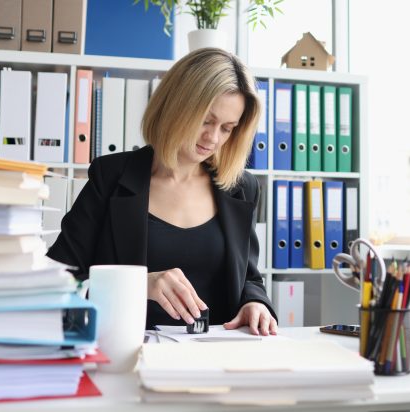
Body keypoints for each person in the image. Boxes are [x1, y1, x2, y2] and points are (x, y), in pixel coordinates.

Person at [47, 48, 278, 336]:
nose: (213, 138)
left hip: (218, 359)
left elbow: (249, 277)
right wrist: (138, 284)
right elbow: (57, 280)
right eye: (206, 120)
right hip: (127, 352)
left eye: (227, 128)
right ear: (176, 107)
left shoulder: (241, 187)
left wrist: (256, 303)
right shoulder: (111, 177)